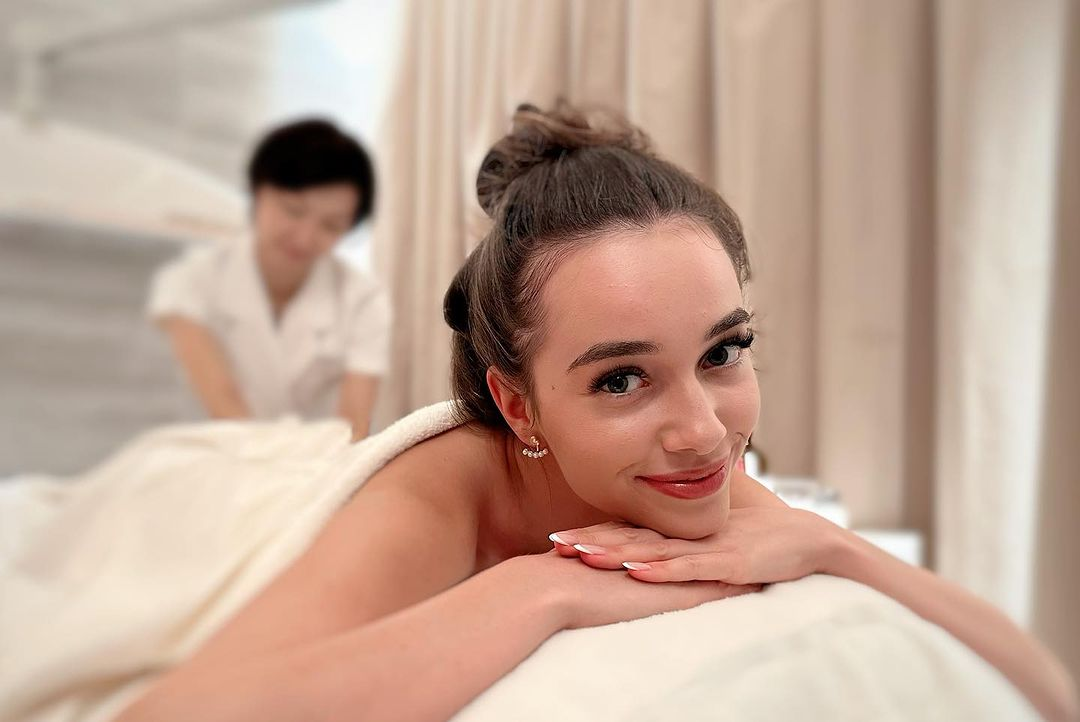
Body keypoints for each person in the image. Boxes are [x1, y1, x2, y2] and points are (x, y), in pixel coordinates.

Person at [118, 103, 1077, 722]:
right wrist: (545, 592)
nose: (702, 430)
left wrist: (834, 546)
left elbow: (1046, 690)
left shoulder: (702, 475)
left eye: (722, 352)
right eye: (622, 379)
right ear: (516, 403)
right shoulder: (436, 496)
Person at [147, 119, 389, 438]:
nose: (305, 237)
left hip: (322, 461)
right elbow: (224, 403)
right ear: (257, 191)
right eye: (293, 210)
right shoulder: (189, 281)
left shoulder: (364, 299)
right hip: (216, 452)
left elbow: (353, 426)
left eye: (331, 225)